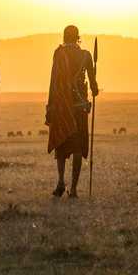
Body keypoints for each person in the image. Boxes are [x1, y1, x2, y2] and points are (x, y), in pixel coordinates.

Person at [45, 24, 98, 198]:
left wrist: (50, 106)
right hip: (80, 108)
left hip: (61, 107)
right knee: (77, 147)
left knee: (61, 143)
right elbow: (94, 86)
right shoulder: (86, 56)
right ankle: (73, 188)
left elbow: (53, 82)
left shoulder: (59, 54)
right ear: (78, 38)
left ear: (64, 37)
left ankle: (61, 181)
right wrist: (95, 90)